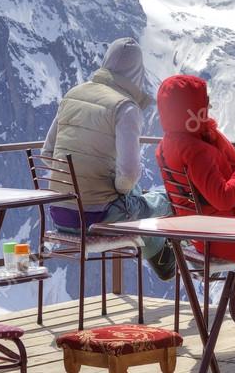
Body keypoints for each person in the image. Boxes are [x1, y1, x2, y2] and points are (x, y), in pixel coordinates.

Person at [41, 37, 176, 280]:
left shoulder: (73, 94)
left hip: (60, 213)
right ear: (138, 71)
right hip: (97, 219)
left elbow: (47, 154)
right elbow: (128, 175)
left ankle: (164, 260)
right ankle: (170, 262)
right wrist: (115, 190)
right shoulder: (125, 107)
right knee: (166, 200)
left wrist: (79, 184)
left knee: (136, 198)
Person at [155, 74, 235, 273]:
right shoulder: (196, 150)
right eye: (203, 101)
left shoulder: (167, 144)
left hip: (205, 235)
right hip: (230, 239)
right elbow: (223, 198)